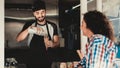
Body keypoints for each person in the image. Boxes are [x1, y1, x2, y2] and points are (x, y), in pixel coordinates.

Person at [16, 0, 59, 68]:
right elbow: (18, 39)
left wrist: (52, 44)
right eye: (37, 13)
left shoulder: (53, 26)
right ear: (34, 13)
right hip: (32, 61)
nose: (40, 15)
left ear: (45, 11)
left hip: (47, 61)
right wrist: (28, 29)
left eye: (42, 12)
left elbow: (57, 43)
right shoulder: (29, 24)